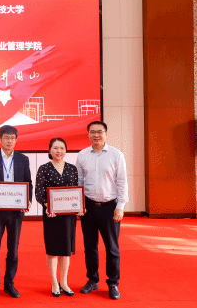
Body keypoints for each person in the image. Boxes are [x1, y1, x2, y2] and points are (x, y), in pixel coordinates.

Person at [0, 125, 32, 299]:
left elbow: (28, 182)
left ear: (16, 140)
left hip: (16, 211)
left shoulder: (23, 159)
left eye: (12, 138)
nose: (9, 141)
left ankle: (9, 283)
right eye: (6, 137)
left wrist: (28, 200)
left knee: (13, 250)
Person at [76, 121, 128, 300]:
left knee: (112, 248)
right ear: (88, 134)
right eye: (93, 132)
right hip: (89, 207)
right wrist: (79, 204)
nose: (96, 135)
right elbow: (79, 182)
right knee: (90, 247)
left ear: (106, 134)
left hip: (109, 207)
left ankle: (113, 283)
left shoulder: (116, 154)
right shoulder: (82, 155)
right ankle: (92, 280)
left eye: (100, 132)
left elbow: (122, 182)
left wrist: (120, 207)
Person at [35, 137, 81, 297]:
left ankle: (64, 282)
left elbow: (76, 190)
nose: (58, 151)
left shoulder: (72, 168)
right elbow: (39, 193)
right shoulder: (44, 168)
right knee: (53, 250)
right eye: (55, 148)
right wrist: (48, 206)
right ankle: (54, 282)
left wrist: (79, 206)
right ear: (49, 150)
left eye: (62, 148)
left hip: (68, 216)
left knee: (66, 250)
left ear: (66, 150)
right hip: (51, 214)